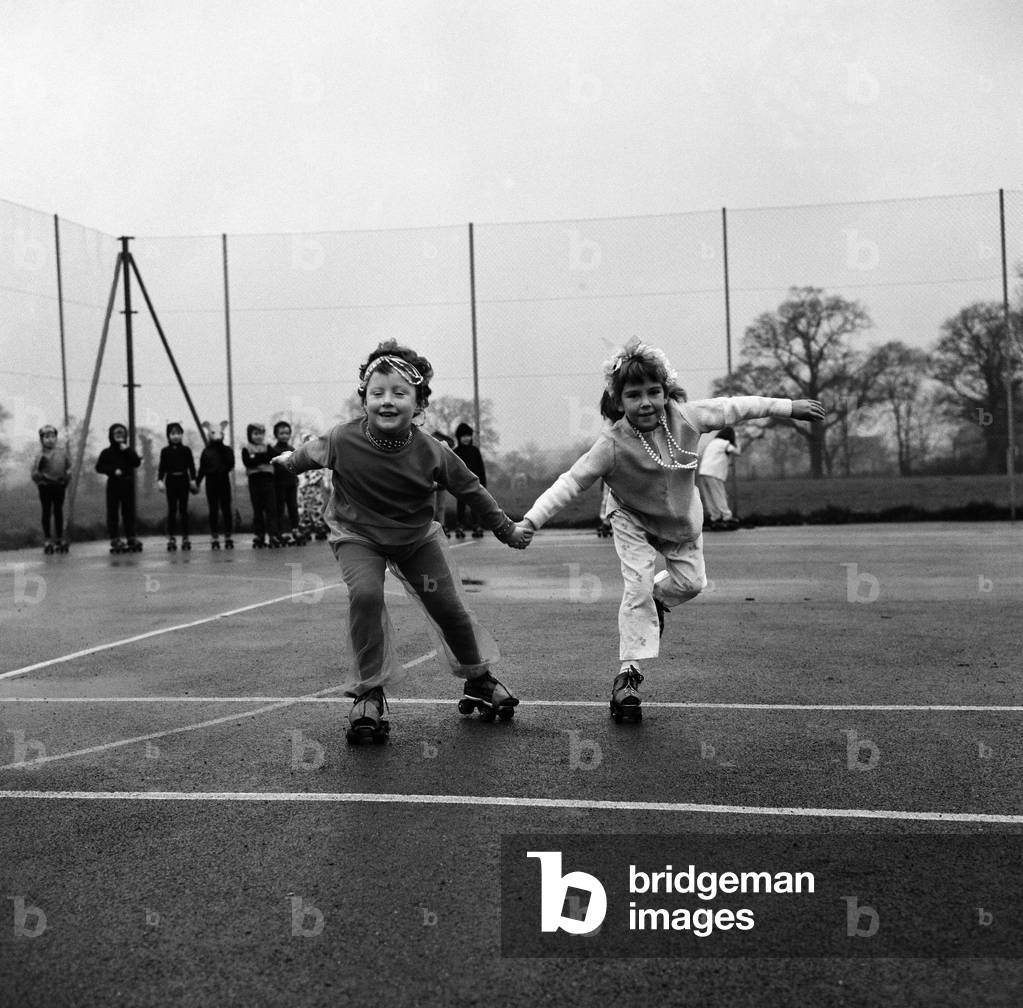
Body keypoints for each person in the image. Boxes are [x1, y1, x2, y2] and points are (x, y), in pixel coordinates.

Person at [516, 338, 824, 722]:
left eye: (653, 392)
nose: (645, 402)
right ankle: (627, 677)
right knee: (637, 586)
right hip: (630, 518)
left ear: (665, 392)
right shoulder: (611, 444)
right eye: (634, 395)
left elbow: (735, 407)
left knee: (692, 583)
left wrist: (788, 408)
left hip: (680, 519)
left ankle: (657, 604)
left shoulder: (687, 418)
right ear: (617, 401)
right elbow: (570, 482)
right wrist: (530, 521)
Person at [272, 338, 530, 744]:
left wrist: (506, 530)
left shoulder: (434, 452)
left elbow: (472, 490)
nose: (387, 401)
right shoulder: (342, 439)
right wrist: (288, 462)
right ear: (364, 400)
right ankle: (368, 692)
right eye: (377, 393)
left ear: (419, 405)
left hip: (414, 538)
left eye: (399, 393)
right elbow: (309, 452)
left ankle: (478, 679)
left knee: (450, 608)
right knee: (367, 595)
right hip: (358, 536)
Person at [95, 422, 143, 553]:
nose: (119, 436)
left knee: (129, 512)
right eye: (116, 433)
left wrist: (127, 450)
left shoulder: (127, 450)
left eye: (121, 433)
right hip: (114, 484)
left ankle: (131, 537)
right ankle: (115, 538)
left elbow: (136, 462)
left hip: (127, 483)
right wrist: (112, 470)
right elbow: (99, 467)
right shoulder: (107, 452)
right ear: (111, 435)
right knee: (113, 512)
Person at [157, 422, 198, 551]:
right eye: (173, 433)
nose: (176, 436)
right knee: (172, 510)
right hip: (171, 481)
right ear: (168, 435)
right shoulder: (165, 451)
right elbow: (162, 467)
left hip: (183, 481)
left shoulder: (186, 450)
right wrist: (159, 480)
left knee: (183, 510)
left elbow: (191, 466)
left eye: (178, 433)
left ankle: (185, 536)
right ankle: (172, 536)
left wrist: (193, 479)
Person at [31, 424, 71, 553]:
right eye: (46, 437)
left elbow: (68, 468)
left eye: (52, 436)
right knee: (46, 511)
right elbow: (34, 474)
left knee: (58, 511)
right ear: (42, 439)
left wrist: (66, 479)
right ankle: (48, 538)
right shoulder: (39, 455)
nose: (50, 439)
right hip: (46, 486)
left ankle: (59, 537)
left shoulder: (62, 453)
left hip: (59, 485)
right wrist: (39, 476)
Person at [242, 423, 282, 548]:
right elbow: (248, 462)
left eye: (261, 434)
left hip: (268, 480)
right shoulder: (246, 448)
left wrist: (257, 458)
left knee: (271, 509)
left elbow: (273, 457)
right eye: (256, 434)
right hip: (254, 480)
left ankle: (273, 535)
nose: (259, 437)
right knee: (257, 509)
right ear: (250, 435)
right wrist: (263, 458)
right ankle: (259, 534)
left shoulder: (268, 447)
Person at [197, 421, 235, 549]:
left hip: (223, 481)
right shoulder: (206, 452)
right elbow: (202, 468)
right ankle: (214, 535)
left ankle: (228, 535)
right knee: (213, 510)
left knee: (226, 509)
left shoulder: (226, 450)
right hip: (211, 482)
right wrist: (197, 482)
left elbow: (231, 463)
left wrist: (222, 468)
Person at [698, 426, 740, 530]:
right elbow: (737, 452)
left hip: (704, 472)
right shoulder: (724, 443)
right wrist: (738, 439)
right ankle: (727, 517)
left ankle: (715, 517)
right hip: (713, 473)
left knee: (709, 497)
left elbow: (726, 459)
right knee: (719, 495)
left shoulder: (713, 443)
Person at [270, 420, 304, 545]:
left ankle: (295, 529)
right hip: (278, 484)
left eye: (287, 433)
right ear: (276, 435)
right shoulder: (274, 450)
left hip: (291, 483)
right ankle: (280, 531)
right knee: (279, 508)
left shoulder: (291, 449)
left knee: (293, 507)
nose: (284, 435)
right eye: (281, 433)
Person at [452, 422, 487, 538]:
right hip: (461, 484)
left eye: (468, 436)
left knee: (475, 505)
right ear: (459, 438)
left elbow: (481, 468)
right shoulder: (455, 452)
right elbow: (452, 469)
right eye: (463, 436)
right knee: (461, 505)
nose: (466, 438)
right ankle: (460, 526)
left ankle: (477, 525)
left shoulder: (475, 451)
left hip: (474, 483)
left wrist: (483, 484)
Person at [430, 429, 456, 537]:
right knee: (432, 505)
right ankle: (429, 526)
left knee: (440, 506)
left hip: (440, 480)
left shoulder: (444, 454)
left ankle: (442, 526)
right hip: (430, 480)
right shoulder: (427, 450)